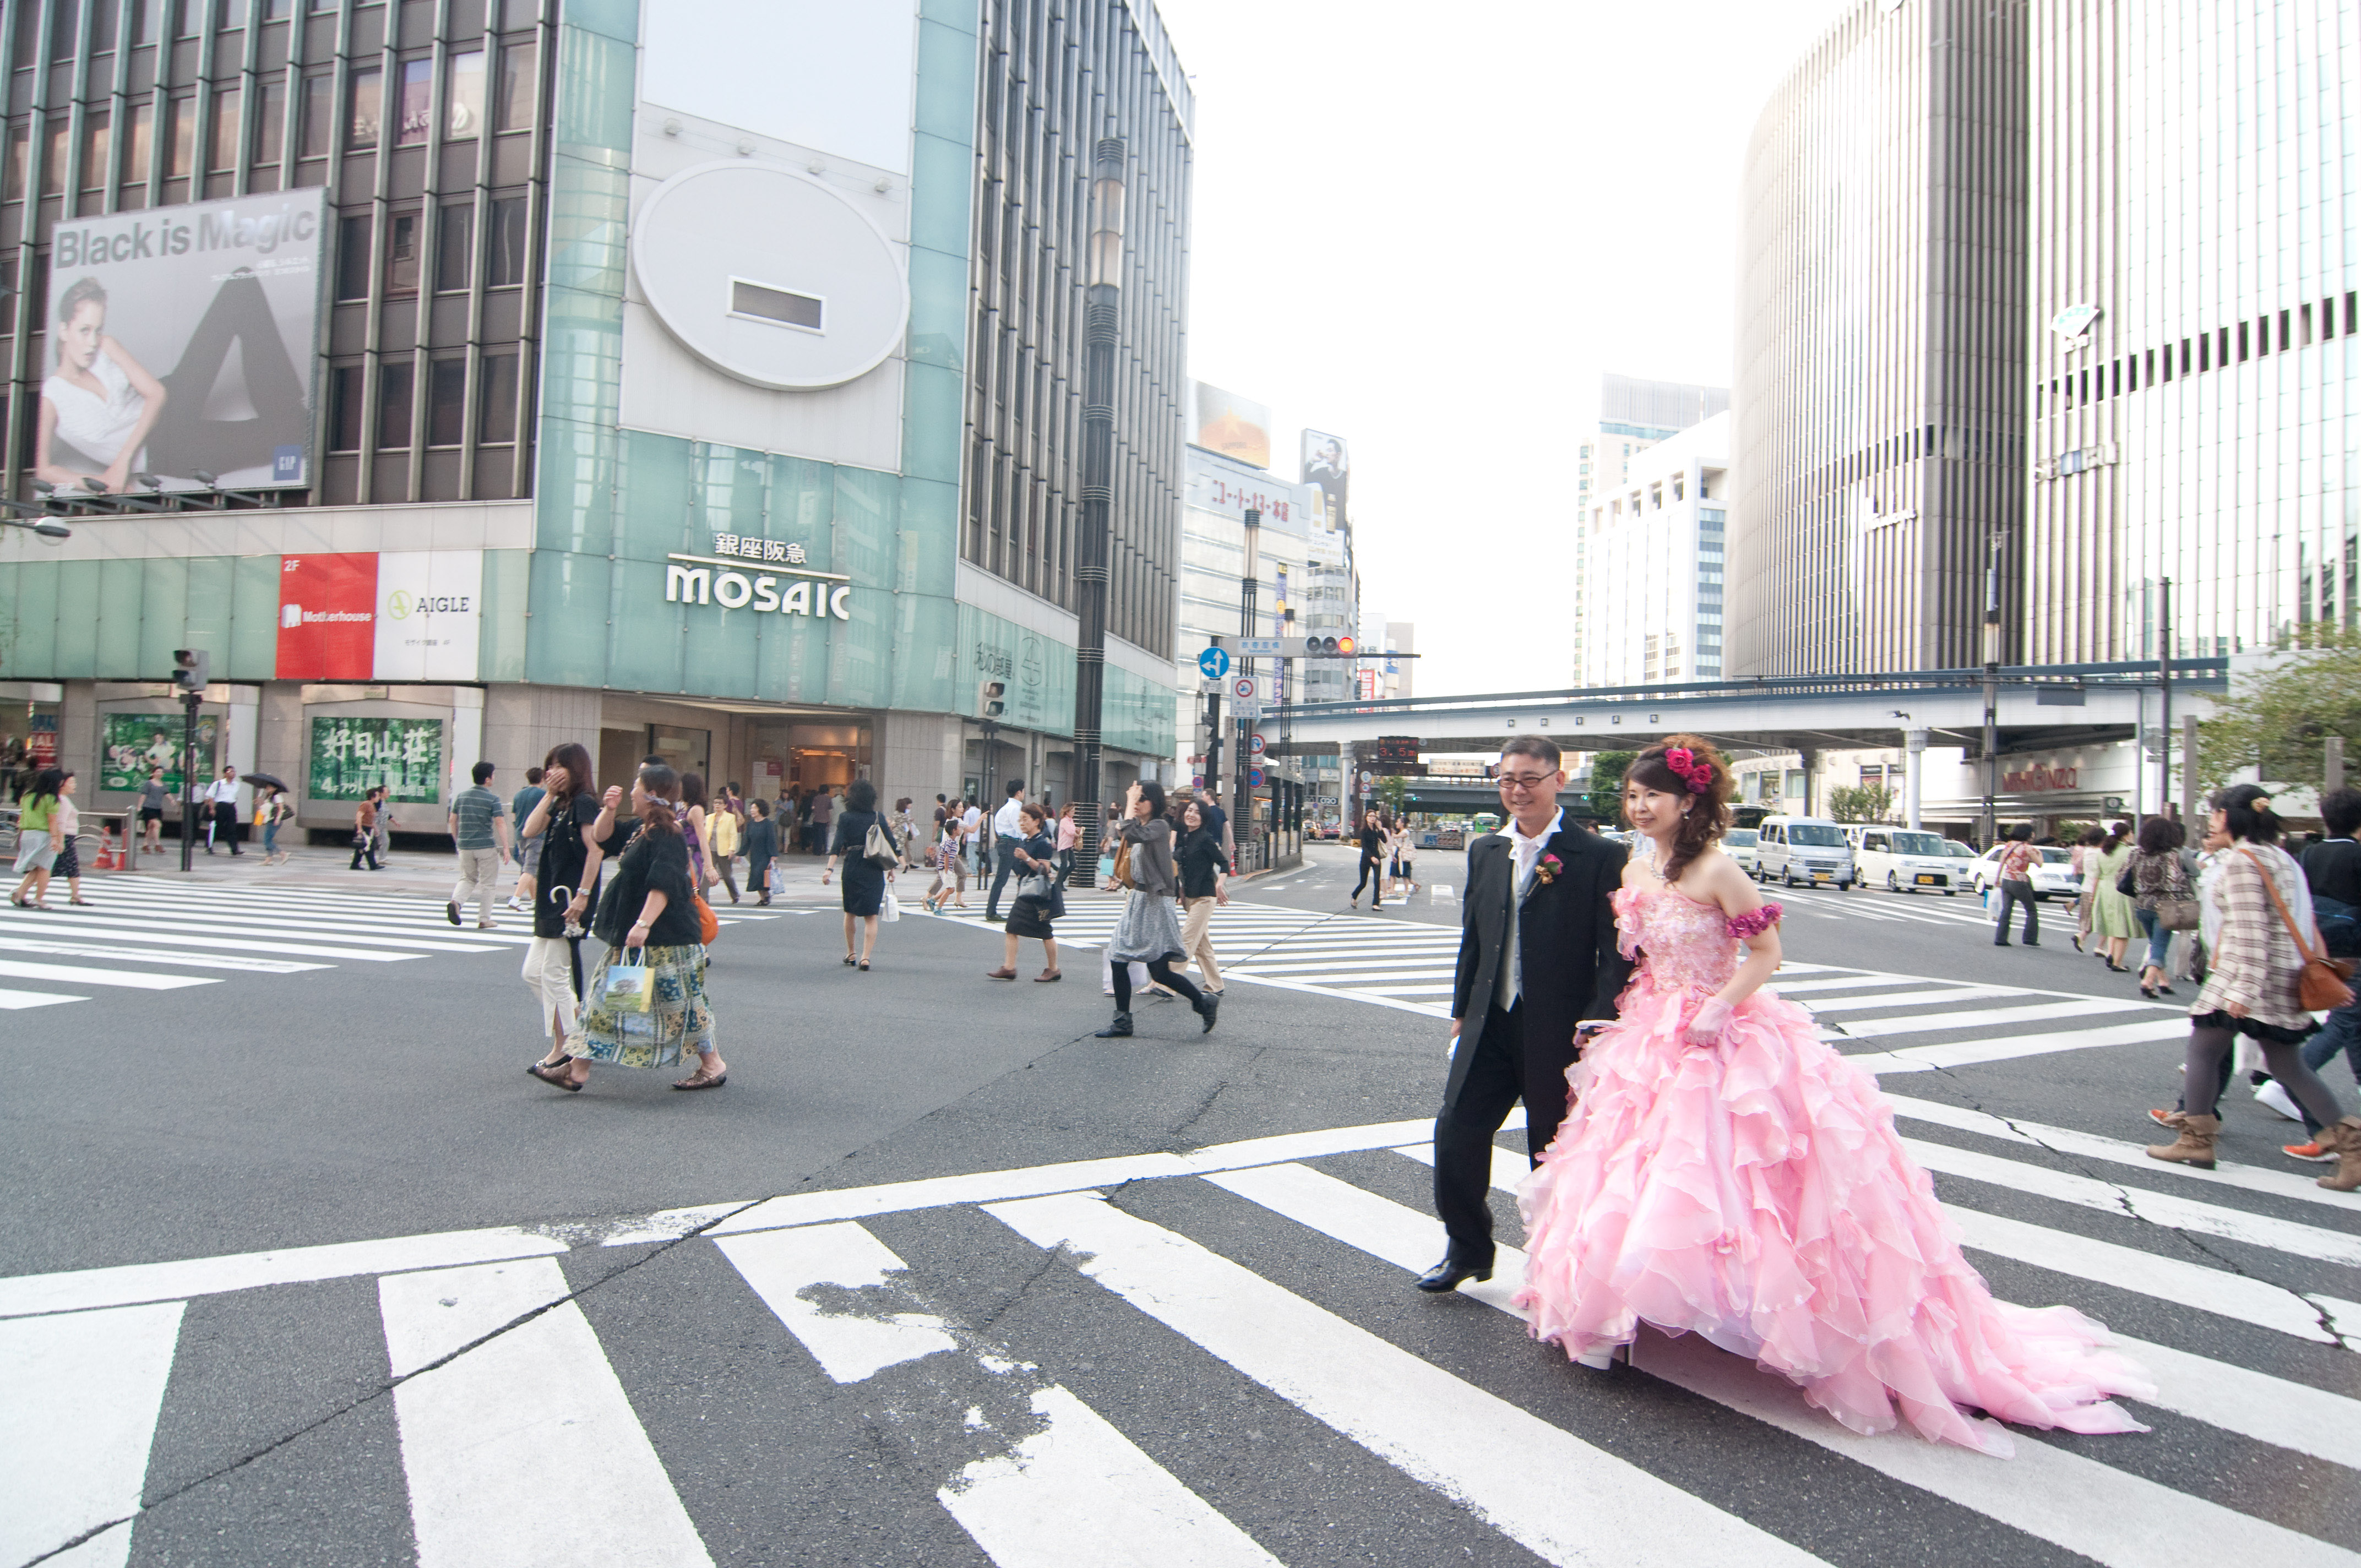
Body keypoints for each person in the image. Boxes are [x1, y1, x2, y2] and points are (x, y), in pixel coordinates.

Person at [1511, 737, 2156, 1453]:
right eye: (1632, 796)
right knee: (1634, 1173)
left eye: (1651, 796)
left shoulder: (1719, 869)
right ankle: (1623, 1310)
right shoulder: (1635, 865)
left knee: (1738, 1182)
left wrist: (1720, 1006)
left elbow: (1768, 955)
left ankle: (1756, 1315)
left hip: (1722, 1035)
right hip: (1651, 1034)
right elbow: (1637, 956)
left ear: (1687, 801)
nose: (1639, 807)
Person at [1416, 735, 1628, 1295]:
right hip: (1491, 1021)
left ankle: (1558, 1270)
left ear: (1558, 780)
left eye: (1530, 779)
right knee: (1455, 1130)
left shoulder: (1598, 856)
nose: (1517, 790)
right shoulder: (1486, 850)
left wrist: (1598, 1021)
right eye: (1508, 779)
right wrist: (1462, 1012)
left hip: (1559, 1031)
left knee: (1550, 1151)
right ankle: (1466, 1248)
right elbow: (1474, 939)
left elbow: (1615, 953)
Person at [2145, 785, 2360, 1190]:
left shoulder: (2242, 861)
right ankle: (2352, 1148)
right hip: (2281, 975)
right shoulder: (2280, 857)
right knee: (2286, 1065)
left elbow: (2250, 931)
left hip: (2245, 975)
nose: (2210, 821)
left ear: (2229, 816)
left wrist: (2241, 991)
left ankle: (2195, 1141)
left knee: (2204, 1053)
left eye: (2214, 813)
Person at [530, 763, 726, 1093]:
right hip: (640, 941)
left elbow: (662, 885)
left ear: (651, 794)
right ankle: (578, 1070)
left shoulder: (668, 834)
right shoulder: (641, 826)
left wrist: (643, 924)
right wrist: (608, 810)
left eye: (636, 786)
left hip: (664, 940)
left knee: (679, 1005)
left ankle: (711, 1064)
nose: (630, 792)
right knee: (619, 1004)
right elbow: (601, 837)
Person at [522, 745, 630, 1075]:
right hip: (551, 898)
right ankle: (578, 1025)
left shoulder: (584, 803)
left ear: (576, 769)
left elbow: (595, 852)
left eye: (560, 766)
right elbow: (528, 831)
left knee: (553, 973)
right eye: (549, 766)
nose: (553, 771)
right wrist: (548, 794)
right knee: (533, 972)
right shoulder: (560, 803)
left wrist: (583, 897)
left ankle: (568, 1047)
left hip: (569, 900)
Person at [1097, 780, 1216, 1038]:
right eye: (1135, 800)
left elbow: (1128, 833)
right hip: (1139, 899)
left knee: (1153, 968)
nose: (1137, 804)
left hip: (1154, 903)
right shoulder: (1145, 826)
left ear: (1155, 802)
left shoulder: (1160, 826)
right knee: (1124, 958)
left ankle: (1203, 1002)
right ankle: (1124, 1021)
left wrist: (1128, 804)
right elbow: (1126, 834)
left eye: (1142, 799)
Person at [34, 277, 167, 496]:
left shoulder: (106, 346)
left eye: (98, 330)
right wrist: (102, 482)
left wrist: (121, 463)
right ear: (64, 330)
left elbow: (157, 393)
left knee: (237, 284)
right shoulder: (52, 397)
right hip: (161, 449)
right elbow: (43, 470)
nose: (93, 342)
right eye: (85, 330)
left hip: (171, 408)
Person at [2284, 787, 2361, 1162]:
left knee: (2353, 1030)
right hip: (2357, 954)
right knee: (2341, 1029)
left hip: (2322, 956)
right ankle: (2321, 1129)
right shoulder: (2358, 856)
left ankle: (2322, 1130)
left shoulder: (2309, 854)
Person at [823, 778, 896, 970]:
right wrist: (892, 869)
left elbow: (837, 846)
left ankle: (851, 953)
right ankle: (866, 957)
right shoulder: (878, 817)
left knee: (850, 913)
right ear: (871, 798)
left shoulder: (846, 818)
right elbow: (891, 845)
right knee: (871, 916)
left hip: (853, 868)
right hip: (873, 869)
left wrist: (829, 870)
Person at [987, 803, 1063, 981]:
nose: (1021, 823)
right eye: (1020, 819)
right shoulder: (1025, 841)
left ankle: (1053, 969)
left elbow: (1044, 869)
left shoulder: (1042, 843)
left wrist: (1026, 858)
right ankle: (1009, 967)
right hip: (1026, 892)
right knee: (1011, 927)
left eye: (1025, 819)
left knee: (1046, 932)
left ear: (1036, 821)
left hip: (1039, 895)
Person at [2128, 815, 2193, 999]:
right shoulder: (2171, 856)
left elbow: (2121, 878)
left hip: (2142, 906)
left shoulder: (2135, 853)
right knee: (2159, 945)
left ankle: (2163, 981)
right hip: (2166, 907)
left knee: (2155, 943)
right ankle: (2148, 981)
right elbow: (2176, 883)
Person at [445, 761, 510, 929]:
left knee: (467, 878)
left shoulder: (462, 796)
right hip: (485, 846)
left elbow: (453, 820)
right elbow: (500, 823)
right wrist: (505, 847)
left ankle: (456, 903)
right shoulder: (492, 799)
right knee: (488, 883)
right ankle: (484, 919)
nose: (494, 778)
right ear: (488, 779)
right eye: (493, 775)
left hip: (465, 846)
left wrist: (457, 840)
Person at [1174, 797, 1228, 995]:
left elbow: (1224, 864)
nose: (1191, 815)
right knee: (1202, 947)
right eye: (1189, 810)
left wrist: (1219, 885)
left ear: (1203, 818)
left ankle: (1167, 983)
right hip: (1190, 898)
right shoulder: (1185, 838)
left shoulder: (1205, 838)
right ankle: (1216, 985)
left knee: (1186, 941)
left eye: (1197, 812)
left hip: (1205, 898)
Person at [2087, 821, 2139, 971]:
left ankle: (2111, 953)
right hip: (2123, 890)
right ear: (2125, 835)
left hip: (2105, 889)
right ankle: (2117, 962)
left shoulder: (2102, 851)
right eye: (2131, 832)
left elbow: (2096, 876)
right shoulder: (2129, 852)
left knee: (2111, 926)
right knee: (2122, 929)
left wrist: (2093, 895)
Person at [9, 766, 63, 908]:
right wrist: (55, 838)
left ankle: (19, 894)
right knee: (45, 868)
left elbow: (23, 816)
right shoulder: (51, 799)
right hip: (43, 835)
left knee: (39, 867)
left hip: (27, 834)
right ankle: (39, 899)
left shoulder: (27, 796)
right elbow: (52, 821)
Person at [1990, 823, 2039, 946]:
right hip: (2019, 881)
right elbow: (2040, 864)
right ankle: (2030, 938)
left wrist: (1998, 878)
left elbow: (2002, 863)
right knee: (2031, 910)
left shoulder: (2009, 845)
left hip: (2006, 879)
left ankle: (2000, 939)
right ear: (2028, 834)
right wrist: (2039, 853)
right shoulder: (2028, 848)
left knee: (2006, 910)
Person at [508, 766, 547, 912]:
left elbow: (514, 817)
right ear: (542, 779)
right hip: (537, 835)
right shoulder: (544, 795)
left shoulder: (519, 795)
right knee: (531, 868)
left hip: (520, 834)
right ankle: (516, 898)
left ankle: (535, 900)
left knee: (529, 868)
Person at [2068, 824, 2106, 951]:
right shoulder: (2102, 853)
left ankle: (2082, 935)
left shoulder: (2087, 851)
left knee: (2089, 917)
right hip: (2099, 889)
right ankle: (2100, 947)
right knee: (2106, 920)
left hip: (2086, 887)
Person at [707, 782, 743, 905]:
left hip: (724, 850)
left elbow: (733, 835)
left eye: (720, 804)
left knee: (727, 876)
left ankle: (735, 894)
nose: (717, 806)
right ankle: (703, 898)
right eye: (715, 803)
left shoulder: (730, 818)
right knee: (706, 875)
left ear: (725, 806)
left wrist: (732, 849)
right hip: (710, 850)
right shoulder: (709, 818)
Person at [743, 797, 779, 906]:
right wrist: (741, 853)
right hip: (755, 854)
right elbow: (746, 839)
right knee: (755, 876)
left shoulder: (768, 824)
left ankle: (767, 895)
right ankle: (762, 897)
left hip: (765, 854)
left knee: (762, 875)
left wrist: (773, 855)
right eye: (752, 808)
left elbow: (772, 840)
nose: (752, 810)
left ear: (761, 809)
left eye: (755, 808)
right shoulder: (751, 824)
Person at [203, 765, 243, 856]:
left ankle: (234, 849)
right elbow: (211, 797)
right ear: (225, 773)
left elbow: (234, 797)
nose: (233, 773)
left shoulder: (236, 785)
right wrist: (212, 808)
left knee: (232, 828)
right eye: (230, 771)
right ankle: (209, 846)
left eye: (234, 771)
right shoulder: (218, 784)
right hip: (221, 807)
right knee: (217, 828)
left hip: (231, 807)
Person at [1350, 810, 1386, 910]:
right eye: (1370, 816)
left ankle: (1375, 904)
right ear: (1366, 818)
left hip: (1377, 858)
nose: (1372, 818)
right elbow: (1364, 847)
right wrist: (1372, 857)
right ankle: (1354, 896)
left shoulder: (1376, 830)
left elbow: (1385, 841)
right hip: (1366, 859)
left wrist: (1380, 829)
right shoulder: (1363, 831)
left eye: (1374, 816)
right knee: (1363, 883)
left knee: (1377, 881)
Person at [137, 765, 170, 854]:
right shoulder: (149, 783)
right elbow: (144, 795)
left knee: (151, 827)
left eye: (161, 772)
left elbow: (167, 793)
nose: (160, 773)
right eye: (158, 772)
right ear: (153, 773)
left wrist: (172, 800)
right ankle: (158, 844)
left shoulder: (163, 784)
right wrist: (139, 806)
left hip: (158, 808)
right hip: (148, 807)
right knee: (157, 824)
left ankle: (145, 845)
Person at [350, 787, 384, 871]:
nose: (379, 798)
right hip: (363, 828)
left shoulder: (372, 806)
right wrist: (359, 829)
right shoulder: (366, 804)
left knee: (362, 847)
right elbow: (359, 815)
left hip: (368, 828)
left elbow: (371, 820)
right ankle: (373, 865)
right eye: (378, 796)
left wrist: (376, 829)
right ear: (373, 797)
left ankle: (355, 865)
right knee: (369, 847)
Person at [257, 784, 292, 865]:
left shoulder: (277, 797)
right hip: (269, 820)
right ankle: (269, 859)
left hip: (274, 821)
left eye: (270, 787)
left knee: (267, 840)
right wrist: (259, 801)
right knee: (268, 840)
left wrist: (278, 819)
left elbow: (281, 809)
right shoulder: (269, 797)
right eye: (267, 787)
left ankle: (283, 854)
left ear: (275, 788)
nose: (268, 788)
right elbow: (265, 809)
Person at [1054, 802, 1080, 886]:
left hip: (1069, 845)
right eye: (1072, 811)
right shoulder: (1064, 820)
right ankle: (1058, 883)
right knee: (1064, 864)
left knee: (1073, 864)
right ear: (1067, 812)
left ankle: (1061, 880)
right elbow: (1070, 831)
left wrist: (1077, 830)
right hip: (1064, 845)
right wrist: (1077, 834)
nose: (1074, 813)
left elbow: (1073, 829)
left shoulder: (1071, 820)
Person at [807, 781, 835, 858]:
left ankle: (815, 850)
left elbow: (813, 808)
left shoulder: (816, 798)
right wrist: (830, 819)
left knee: (816, 835)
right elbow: (830, 810)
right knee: (822, 835)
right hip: (825, 819)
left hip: (816, 819)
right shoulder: (829, 799)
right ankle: (820, 850)